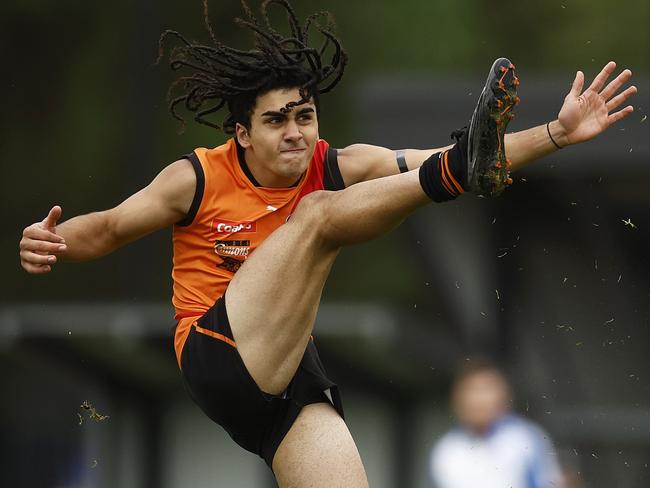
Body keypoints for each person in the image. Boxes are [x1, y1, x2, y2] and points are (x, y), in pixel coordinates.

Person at [19, 1, 636, 486]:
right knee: (317, 215)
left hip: (288, 382)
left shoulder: (339, 163)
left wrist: (556, 132)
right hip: (216, 355)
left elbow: (466, 157)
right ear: (241, 132)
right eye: (276, 119)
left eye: (305, 116)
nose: (295, 133)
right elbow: (106, 229)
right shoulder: (198, 176)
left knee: (378, 189)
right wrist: (53, 241)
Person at [430, 360, 563, 488]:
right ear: (457, 397)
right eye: (472, 389)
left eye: (486, 389)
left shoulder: (526, 438)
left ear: (503, 394)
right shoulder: (446, 449)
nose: (479, 398)